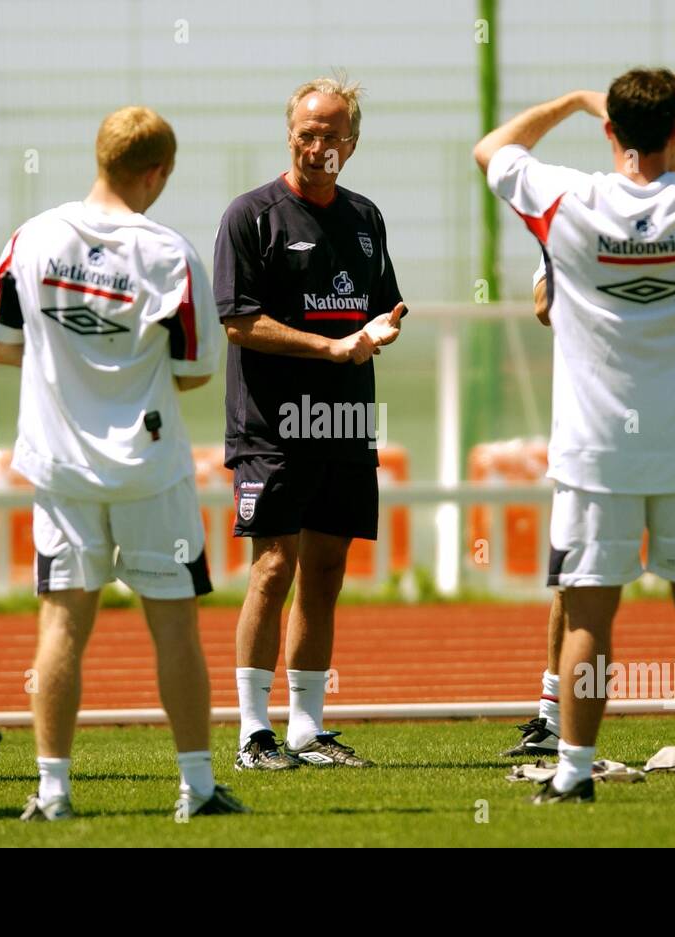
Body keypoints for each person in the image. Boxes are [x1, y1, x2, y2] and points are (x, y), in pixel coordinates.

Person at [475, 68, 675, 802]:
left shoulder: (570, 201)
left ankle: (574, 773)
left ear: (610, 130)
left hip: (596, 451)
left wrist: (570, 102)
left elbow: (492, 148)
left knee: (589, 614)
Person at [0, 105, 244, 819]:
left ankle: (54, 792)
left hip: (60, 471)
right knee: (175, 627)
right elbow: (193, 372)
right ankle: (195, 787)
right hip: (150, 469)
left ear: (100, 157)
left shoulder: (31, 239)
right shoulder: (168, 253)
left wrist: (62, 358)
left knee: (61, 625)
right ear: (155, 172)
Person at [214, 76, 405, 771]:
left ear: (351, 143)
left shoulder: (365, 217)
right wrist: (328, 346)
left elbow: (382, 305)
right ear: (290, 133)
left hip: (347, 419)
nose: (316, 142)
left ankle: (306, 727)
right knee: (273, 569)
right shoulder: (250, 215)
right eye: (306, 130)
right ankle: (251, 732)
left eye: (330, 133)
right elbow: (238, 322)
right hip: (273, 425)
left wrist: (382, 327)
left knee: (326, 570)